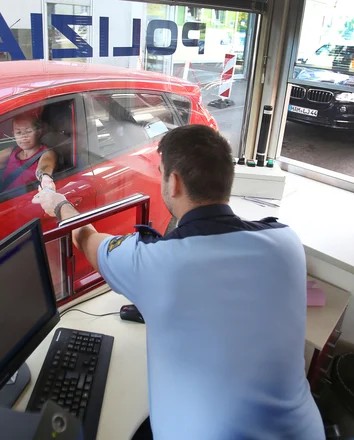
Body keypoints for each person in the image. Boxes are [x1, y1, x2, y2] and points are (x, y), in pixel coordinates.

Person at [33, 124, 325, 440]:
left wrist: (58, 203)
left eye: (160, 174)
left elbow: (86, 238)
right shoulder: (286, 243)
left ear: (173, 183)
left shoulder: (155, 262)